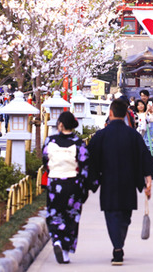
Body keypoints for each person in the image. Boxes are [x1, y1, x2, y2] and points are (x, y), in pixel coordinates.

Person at [88, 99, 153, 265]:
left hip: (108, 181)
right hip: (129, 181)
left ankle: (117, 247)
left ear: (110, 113)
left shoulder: (100, 135)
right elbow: (144, 157)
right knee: (125, 216)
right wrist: (147, 179)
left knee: (111, 215)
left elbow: (90, 160)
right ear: (126, 114)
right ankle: (119, 245)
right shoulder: (133, 135)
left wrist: (91, 181)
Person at [42, 112, 90, 264]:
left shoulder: (50, 141)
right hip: (73, 183)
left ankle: (56, 239)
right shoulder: (78, 143)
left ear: (60, 124)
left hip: (55, 182)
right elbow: (84, 166)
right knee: (71, 216)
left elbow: (45, 160)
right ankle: (66, 251)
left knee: (54, 213)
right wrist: (85, 187)